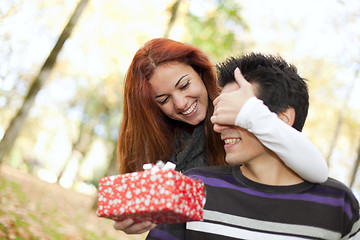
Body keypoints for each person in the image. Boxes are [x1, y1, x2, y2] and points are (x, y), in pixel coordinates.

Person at [114, 38, 328, 234]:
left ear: (201, 73)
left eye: (184, 85)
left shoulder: (240, 112)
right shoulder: (170, 147)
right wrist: (139, 218)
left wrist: (251, 112)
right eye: (163, 100)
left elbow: (317, 171)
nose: (180, 103)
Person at [146, 53, 360, 239]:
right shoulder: (194, 187)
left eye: (235, 112)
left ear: (282, 119)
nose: (217, 125)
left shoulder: (338, 205)